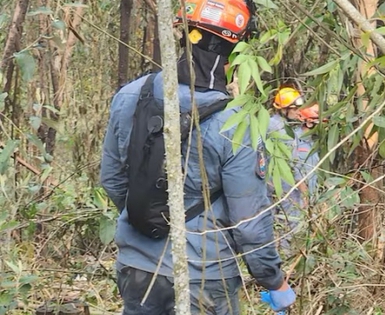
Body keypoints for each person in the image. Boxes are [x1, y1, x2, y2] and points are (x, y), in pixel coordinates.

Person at [99, 1, 295, 314]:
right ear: (238, 50)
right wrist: (273, 281)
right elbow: (248, 224)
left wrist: (148, 218)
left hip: (136, 268)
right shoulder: (239, 122)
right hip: (206, 276)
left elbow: (111, 179)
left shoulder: (131, 95)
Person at [267, 87, 322, 257]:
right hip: (287, 187)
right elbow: (294, 165)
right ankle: (284, 259)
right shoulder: (280, 129)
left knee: (283, 225)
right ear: (283, 109)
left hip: (282, 186)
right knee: (289, 225)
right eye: (294, 108)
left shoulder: (281, 125)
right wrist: (305, 195)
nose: (297, 112)